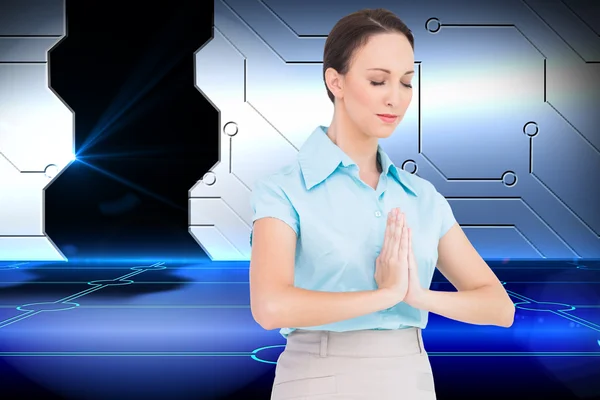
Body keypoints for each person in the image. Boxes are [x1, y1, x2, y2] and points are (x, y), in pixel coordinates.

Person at [248, 8, 515, 400]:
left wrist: (415, 295)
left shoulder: (422, 196)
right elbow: (270, 306)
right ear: (334, 81)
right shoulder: (284, 190)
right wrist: (384, 296)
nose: (396, 98)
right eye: (378, 81)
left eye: (407, 82)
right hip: (317, 377)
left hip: (412, 377)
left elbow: (499, 308)